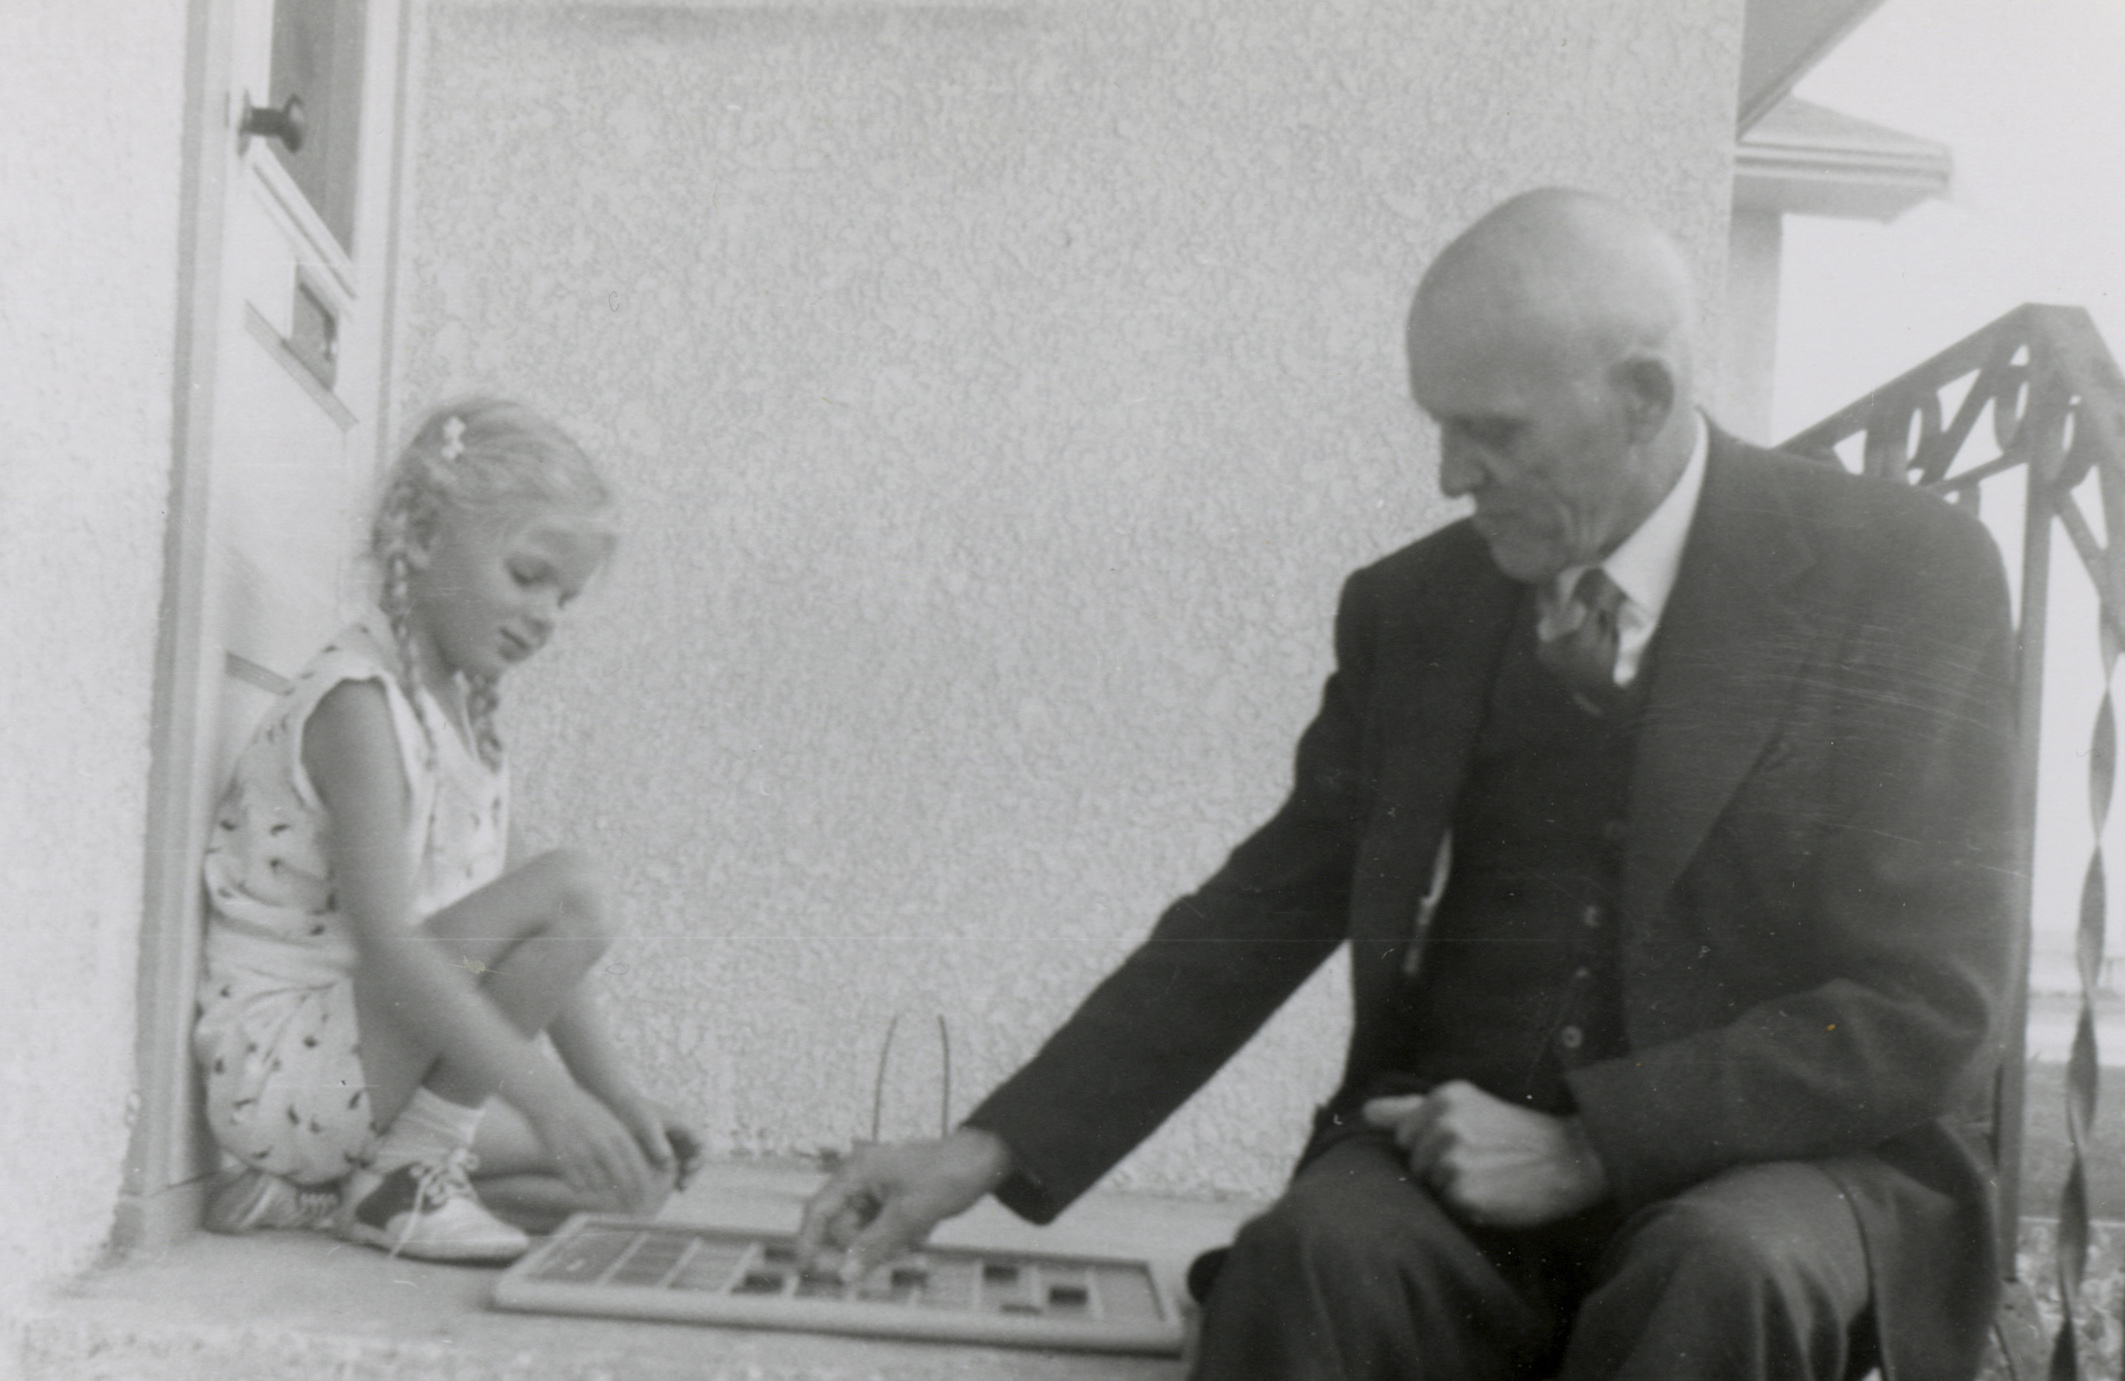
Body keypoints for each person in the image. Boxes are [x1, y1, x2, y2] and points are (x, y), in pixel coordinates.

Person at [798, 189, 2018, 1380]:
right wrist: (984, 1147)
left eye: (1494, 432)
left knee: (1719, 1271)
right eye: (1438, 425)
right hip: (1456, 1171)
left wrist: (1593, 1143)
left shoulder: (1897, 576)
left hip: (1771, 1172)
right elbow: (1262, 907)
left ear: (1642, 396)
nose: (1449, 475)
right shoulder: (1415, 608)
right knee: (1310, 1257)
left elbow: (1934, 999)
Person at [193, 399, 702, 1262]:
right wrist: (548, 1099)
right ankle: (407, 1172)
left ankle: (332, 1196)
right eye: (528, 575)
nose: (546, 614)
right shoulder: (360, 705)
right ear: (423, 534)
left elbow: (547, 950)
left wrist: (611, 1098)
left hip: (363, 1071)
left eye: (565, 598)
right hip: (292, 1071)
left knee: (628, 1177)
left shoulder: (458, 717)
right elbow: (396, 948)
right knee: (576, 886)